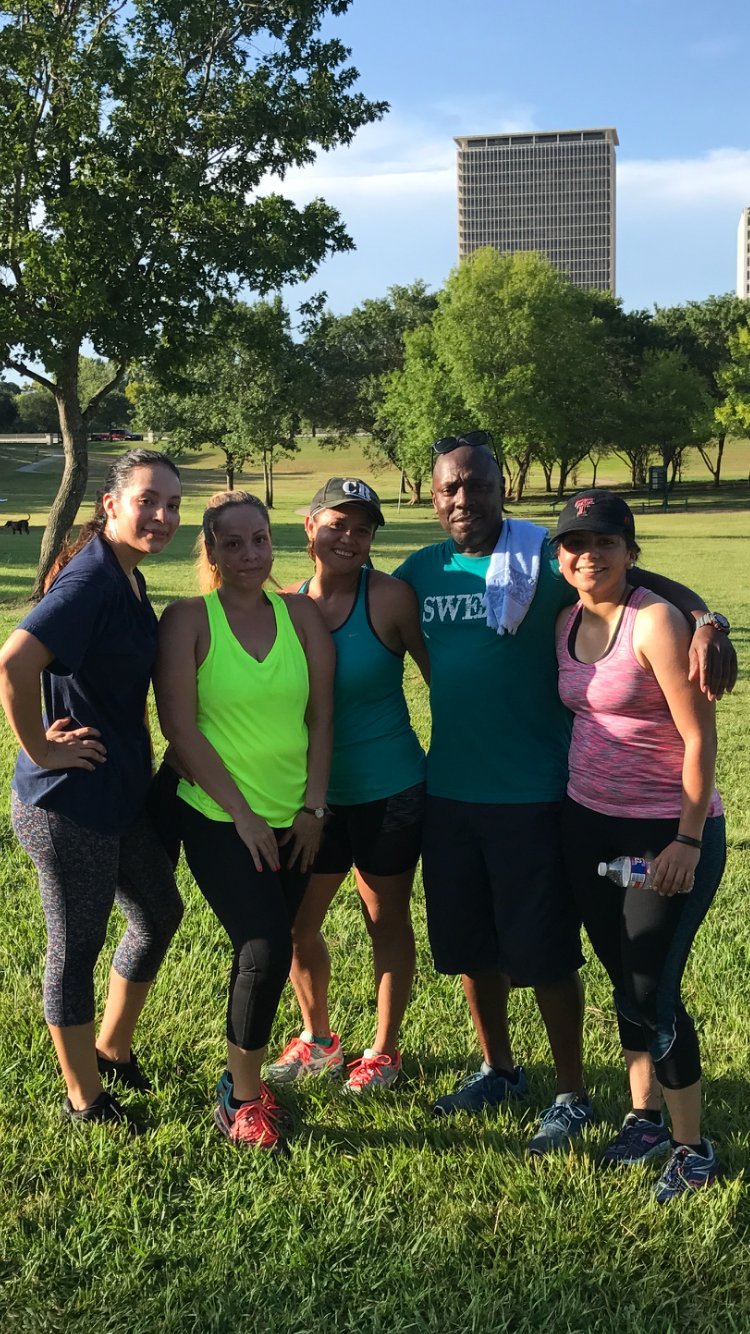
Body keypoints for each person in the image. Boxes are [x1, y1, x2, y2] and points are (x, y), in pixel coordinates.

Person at [393, 433, 736, 1153]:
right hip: (451, 791)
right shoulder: (419, 571)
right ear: (431, 496)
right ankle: (498, 1069)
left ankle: (572, 1093)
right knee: (470, 947)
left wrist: (707, 619)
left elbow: (645, 586)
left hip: (540, 795)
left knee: (547, 950)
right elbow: (357, 607)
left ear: (501, 492)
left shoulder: (542, 568)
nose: (463, 499)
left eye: (477, 486)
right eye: (449, 488)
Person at [0, 449, 185, 1131]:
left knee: (160, 912)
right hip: (67, 806)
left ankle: (111, 1048)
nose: (163, 515)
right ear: (112, 505)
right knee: (75, 950)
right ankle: (84, 1099)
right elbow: (14, 661)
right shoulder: (93, 579)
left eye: (173, 503)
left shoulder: (126, 579)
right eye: (148, 501)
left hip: (117, 799)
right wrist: (42, 748)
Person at [551, 489, 725, 1200]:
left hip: (666, 833)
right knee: (623, 974)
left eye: (605, 542)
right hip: (588, 823)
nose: (589, 555)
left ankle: (693, 1148)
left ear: (630, 550)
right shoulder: (564, 620)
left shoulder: (654, 623)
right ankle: (643, 1115)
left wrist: (685, 838)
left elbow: (699, 738)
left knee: (655, 986)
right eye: (575, 544)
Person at [154, 491, 334, 1154]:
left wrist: (314, 808)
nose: (249, 554)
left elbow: (321, 717)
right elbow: (179, 728)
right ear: (211, 552)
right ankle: (242, 1098)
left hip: (296, 816)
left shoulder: (302, 617)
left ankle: (245, 1075)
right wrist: (242, 816)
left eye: (258, 539)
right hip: (215, 814)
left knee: (275, 940)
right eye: (232, 544)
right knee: (262, 945)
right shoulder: (187, 620)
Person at [266, 478, 429, 1092]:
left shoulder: (390, 599)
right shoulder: (282, 606)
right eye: (338, 523)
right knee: (295, 925)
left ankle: (384, 1052)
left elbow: (441, 678)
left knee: (385, 920)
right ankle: (318, 1040)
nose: (350, 538)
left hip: (391, 789)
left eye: (363, 529)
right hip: (310, 799)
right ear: (310, 528)